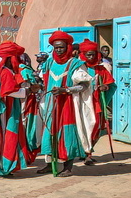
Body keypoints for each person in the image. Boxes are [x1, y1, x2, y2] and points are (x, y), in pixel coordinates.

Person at [37, 31, 94, 177]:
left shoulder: (76, 64)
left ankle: (68, 167)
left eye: (61, 47)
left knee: (67, 134)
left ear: (68, 47)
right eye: (56, 48)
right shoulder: (50, 62)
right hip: (51, 103)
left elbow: (85, 85)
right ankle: (50, 164)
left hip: (67, 104)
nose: (58, 50)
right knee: (50, 132)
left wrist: (66, 90)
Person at [0, 42, 35, 177]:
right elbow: (8, 91)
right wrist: (28, 90)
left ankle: (4, 166)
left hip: (1, 110)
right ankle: (6, 166)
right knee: (9, 136)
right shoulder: (5, 72)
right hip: (7, 111)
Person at [79, 39, 116, 164]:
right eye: (88, 54)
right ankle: (81, 151)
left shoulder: (101, 69)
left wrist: (105, 87)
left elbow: (111, 85)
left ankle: (88, 153)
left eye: (93, 54)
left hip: (95, 104)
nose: (90, 57)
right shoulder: (78, 68)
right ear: (83, 55)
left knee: (95, 128)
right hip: (79, 104)